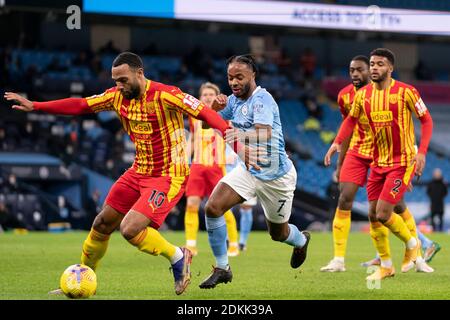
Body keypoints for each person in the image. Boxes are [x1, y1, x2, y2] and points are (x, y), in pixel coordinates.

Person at [4, 52, 245, 295]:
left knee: (129, 229)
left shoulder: (167, 94)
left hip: (168, 174)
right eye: (115, 80)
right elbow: (80, 105)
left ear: (139, 73)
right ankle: (82, 279)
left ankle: (178, 256)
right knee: (102, 223)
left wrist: (235, 144)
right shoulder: (116, 97)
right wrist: (36, 105)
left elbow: (206, 113)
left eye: (123, 79)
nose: (118, 85)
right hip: (138, 171)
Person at [198, 54, 310, 289]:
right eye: (230, 78)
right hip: (248, 170)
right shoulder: (232, 101)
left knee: (278, 234)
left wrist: (238, 135)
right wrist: (213, 109)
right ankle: (222, 268)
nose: (234, 82)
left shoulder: (262, 100)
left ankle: (301, 240)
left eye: (239, 77)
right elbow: (207, 124)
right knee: (213, 207)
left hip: (276, 177)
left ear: (252, 76)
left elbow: (264, 132)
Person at [325, 48, 434, 280]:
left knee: (385, 213)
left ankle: (413, 244)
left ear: (390, 68)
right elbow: (350, 121)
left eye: (380, 64)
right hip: (377, 161)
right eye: (372, 64)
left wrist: (421, 153)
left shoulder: (407, 92)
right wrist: (336, 143)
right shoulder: (363, 95)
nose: (374, 67)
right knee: (373, 215)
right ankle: (386, 265)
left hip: (401, 163)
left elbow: (426, 120)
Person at [184, 82, 240, 257]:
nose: (207, 97)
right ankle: (191, 245)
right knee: (191, 204)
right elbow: (192, 139)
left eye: (211, 94)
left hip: (217, 166)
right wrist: (185, 157)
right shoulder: (194, 117)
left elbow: (232, 136)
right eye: (204, 94)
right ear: (200, 98)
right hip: (198, 166)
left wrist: (234, 155)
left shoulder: (224, 116)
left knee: (223, 208)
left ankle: (234, 244)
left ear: (217, 97)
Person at [427, 168, 448, 232]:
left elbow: (445, 193)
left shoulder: (443, 183)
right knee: (432, 217)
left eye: (438, 174)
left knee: (441, 217)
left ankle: (441, 230)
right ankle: (434, 230)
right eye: (436, 174)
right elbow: (428, 192)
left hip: (440, 203)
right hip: (433, 203)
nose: (437, 175)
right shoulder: (431, 183)